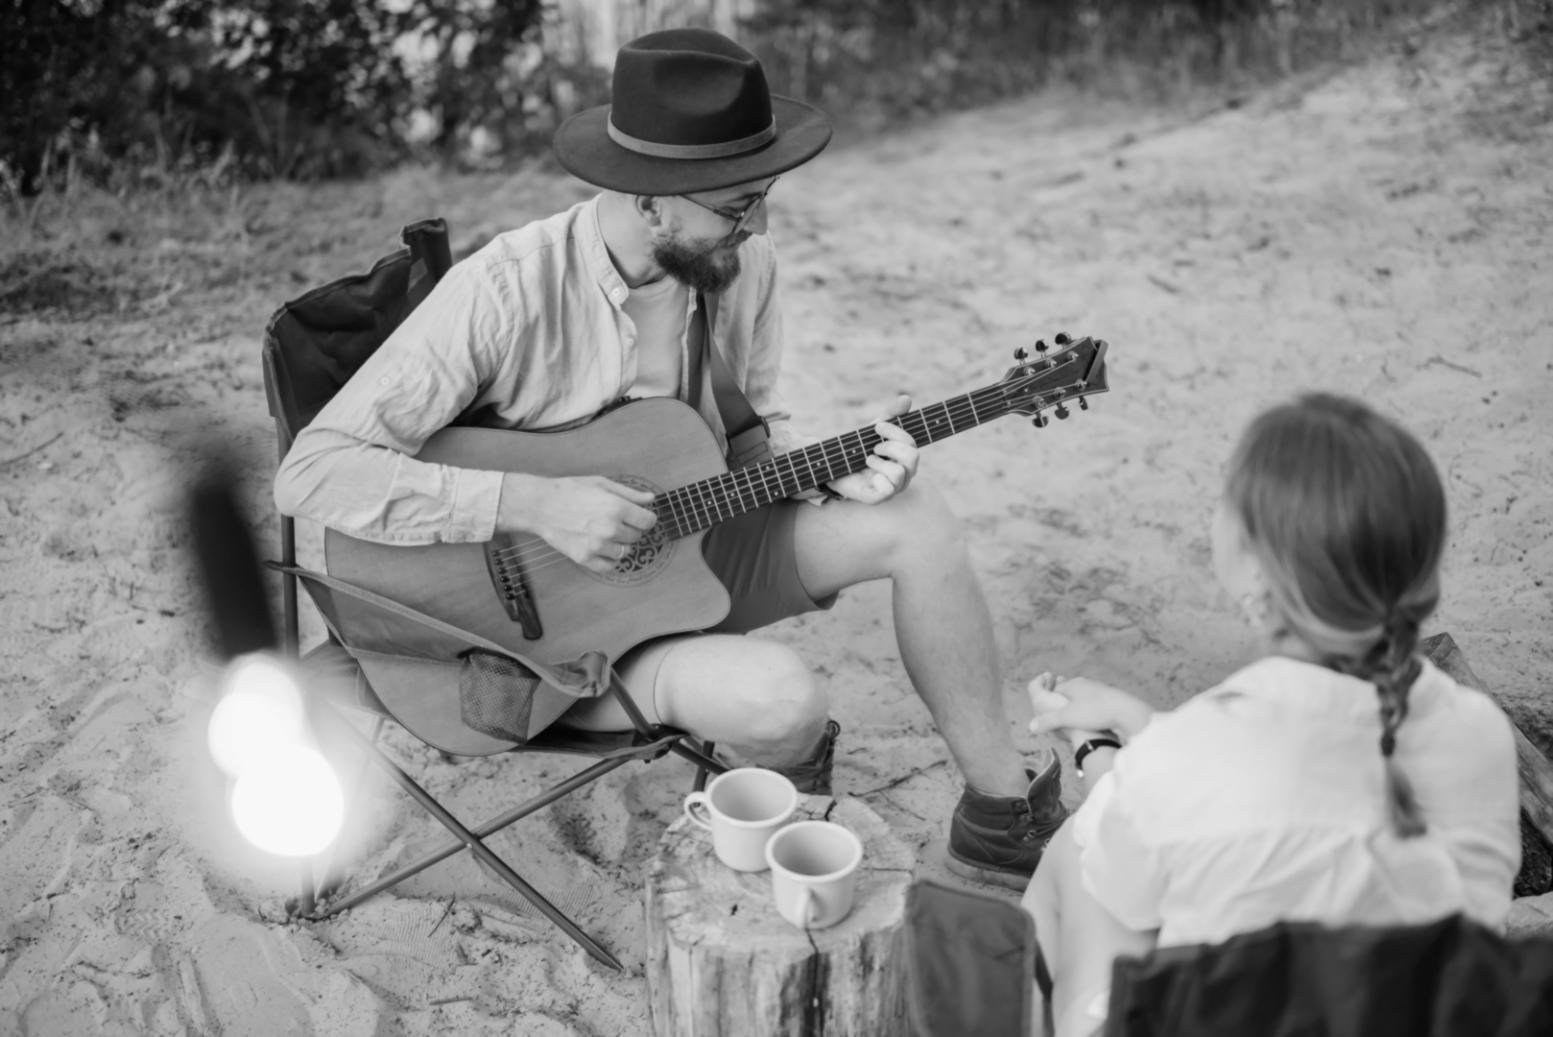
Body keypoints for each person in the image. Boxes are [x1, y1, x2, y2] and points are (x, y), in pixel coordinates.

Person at [273, 27, 1065, 885]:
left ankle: (998, 815)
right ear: (648, 200)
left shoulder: (742, 266)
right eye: (734, 206)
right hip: (548, 644)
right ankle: (776, 787)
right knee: (785, 699)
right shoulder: (504, 290)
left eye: (762, 197)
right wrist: (532, 504)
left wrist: (825, 469)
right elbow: (312, 472)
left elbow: (750, 433)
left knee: (915, 518)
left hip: (697, 540)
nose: (756, 224)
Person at [1017, 392, 1521, 1037]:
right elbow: (1280, 771)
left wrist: (1097, 753)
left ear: (1255, 568)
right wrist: (1145, 727)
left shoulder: (1193, 757)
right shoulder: (1477, 731)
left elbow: (1128, 874)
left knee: (1080, 855)